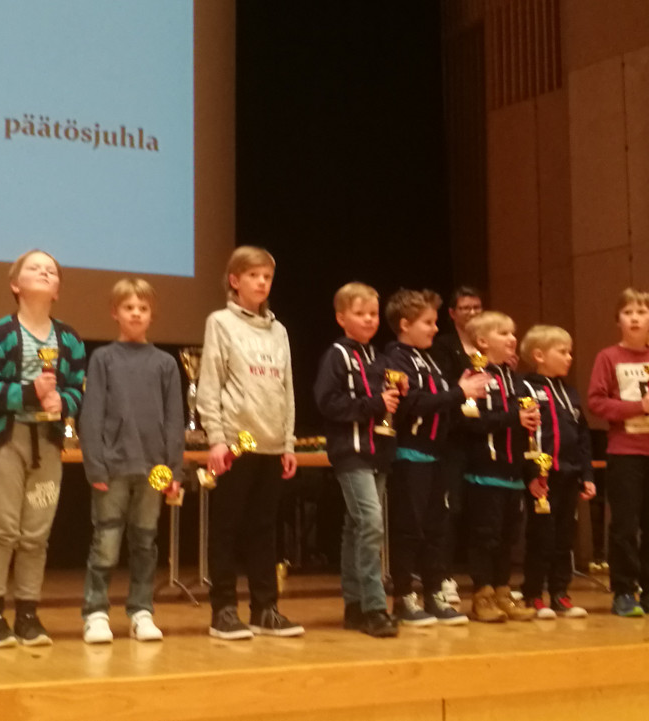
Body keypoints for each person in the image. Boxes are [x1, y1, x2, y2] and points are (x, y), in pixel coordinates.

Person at [0, 250, 85, 648]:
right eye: (35, 268)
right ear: (15, 285)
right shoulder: (0, 334)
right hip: (5, 441)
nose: (44, 272)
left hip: (48, 444)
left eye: (51, 270)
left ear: (57, 291)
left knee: (36, 534)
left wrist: (63, 402)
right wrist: (30, 393)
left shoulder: (69, 339)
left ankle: (28, 615)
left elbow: (78, 390)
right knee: (2, 528)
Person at [197, 246, 304, 640]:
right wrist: (216, 439)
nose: (261, 282)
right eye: (254, 275)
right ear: (235, 280)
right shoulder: (220, 322)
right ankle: (223, 610)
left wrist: (289, 443)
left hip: (273, 444)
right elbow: (210, 383)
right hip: (235, 443)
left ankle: (265, 609)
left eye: (267, 277)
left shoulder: (279, 331)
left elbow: (287, 389)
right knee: (226, 528)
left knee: (264, 529)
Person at [80, 278, 182, 644]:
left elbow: (174, 419)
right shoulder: (103, 359)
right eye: (128, 308)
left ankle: (141, 611)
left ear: (152, 315)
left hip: (155, 470)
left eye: (143, 308)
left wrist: (174, 468)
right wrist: (95, 464)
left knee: (145, 542)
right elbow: (91, 414)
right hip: (113, 467)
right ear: (115, 313)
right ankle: (95, 613)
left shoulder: (165, 363)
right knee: (106, 541)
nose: (136, 313)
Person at [382, 289, 488, 627]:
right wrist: (457, 393)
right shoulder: (396, 358)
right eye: (427, 322)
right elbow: (412, 403)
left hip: (437, 456)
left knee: (436, 529)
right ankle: (404, 596)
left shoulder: (430, 360)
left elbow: (443, 404)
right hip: (409, 455)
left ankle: (433, 593)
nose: (435, 328)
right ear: (405, 325)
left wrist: (462, 395)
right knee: (409, 528)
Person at [587, 289, 649, 617]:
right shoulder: (608, 357)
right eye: (628, 312)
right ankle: (624, 591)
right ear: (618, 320)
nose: (634, 318)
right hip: (625, 452)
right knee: (625, 526)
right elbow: (596, 402)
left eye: (641, 313)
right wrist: (636, 407)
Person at [314, 282, 399, 638]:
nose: (369, 319)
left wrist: (396, 395)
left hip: (378, 452)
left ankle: (354, 605)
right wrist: (375, 404)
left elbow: (386, 402)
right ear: (341, 318)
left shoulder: (378, 358)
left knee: (356, 527)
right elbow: (327, 402)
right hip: (351, 453)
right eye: (360, 313)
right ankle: (374, 607)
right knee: (370, 524)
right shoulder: (337, 355)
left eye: (373, 314)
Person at [460, 311, 537, 623]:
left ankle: (504, 592)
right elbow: (471, 422)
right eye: (503, 333)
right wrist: (513, 418)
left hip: (512, 471)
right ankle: (482, 595)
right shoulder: (473, 377)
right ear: (482, 341)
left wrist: (529, 421)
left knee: (508, 537)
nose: (512, 339)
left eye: (513, 333)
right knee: (485, 536)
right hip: (484, 471)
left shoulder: (515, 379)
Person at [518, 325, 595, 619]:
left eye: (570, 352)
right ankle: (533, 594)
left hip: (569, 474)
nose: (569, 357)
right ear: (539, 355)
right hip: (542, 478)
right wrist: (530, 475)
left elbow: (583, 436)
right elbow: (524, 436)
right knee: (542, 537)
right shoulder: (524, 389)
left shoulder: (570, 392)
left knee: (565, 538)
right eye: (562, 352)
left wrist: (587, 475)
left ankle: (560, 592)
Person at [430, 286, 484, 608]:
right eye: (465, 308)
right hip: (453, 437)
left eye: (477, 307)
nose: (472, 313)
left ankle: (485, 581)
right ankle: (443, 576)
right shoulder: (443, 347)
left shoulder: (488, 344)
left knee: (482, 510)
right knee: (451, 508)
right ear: (452, 314)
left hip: (484, 435)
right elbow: (444, 389)